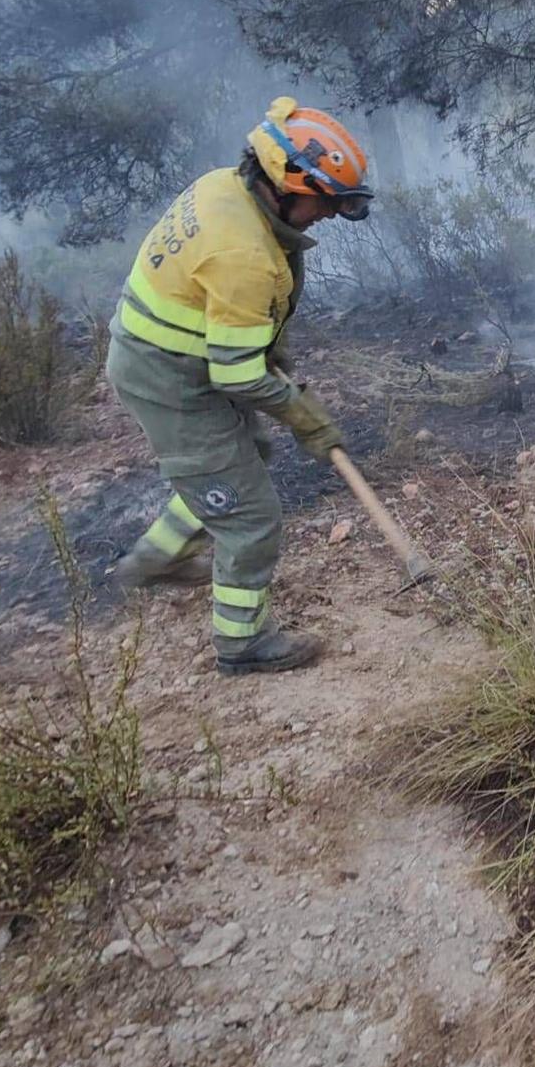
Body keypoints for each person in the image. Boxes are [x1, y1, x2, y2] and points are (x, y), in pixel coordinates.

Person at [105, 96, 377, 676]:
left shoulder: (226, 188)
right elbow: (236, 374)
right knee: (252, 520)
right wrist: (302, 413)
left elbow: (226, 318)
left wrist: (261, 342)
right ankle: (242, 643)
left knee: (241, 457)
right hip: (170, 378)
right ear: (285, 185)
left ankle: (158, 555)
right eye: (323, 202)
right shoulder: (244, 254)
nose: (328, 214)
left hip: (178, 354)